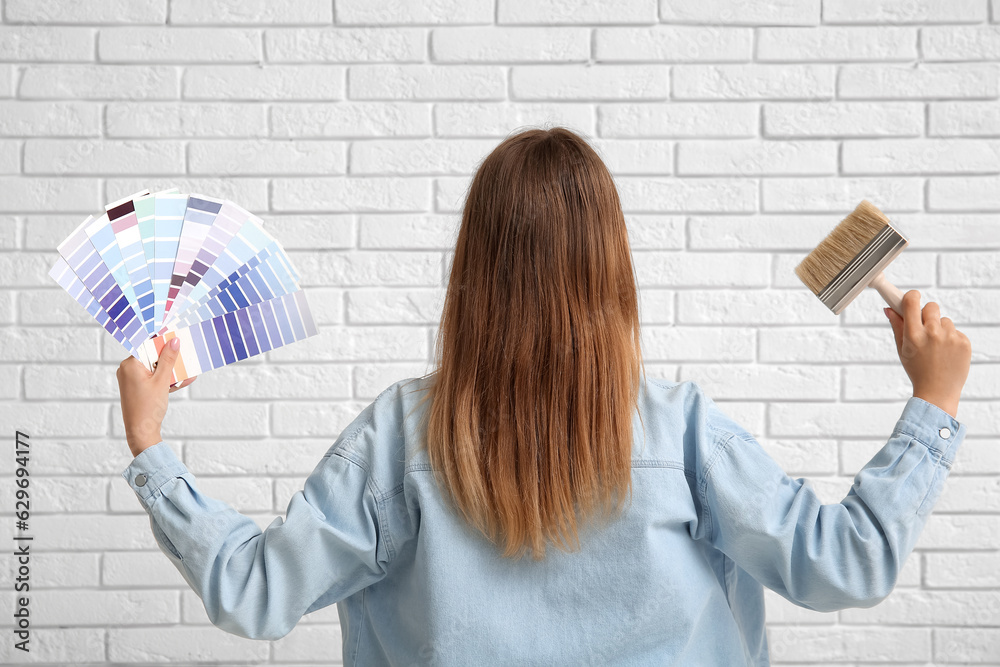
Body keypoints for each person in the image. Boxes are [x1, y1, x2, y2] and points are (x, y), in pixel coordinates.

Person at [117, 127, 972, 666]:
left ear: (473, 272)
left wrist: (151, 445)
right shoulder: (679, 434)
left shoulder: (402, 435)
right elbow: (846, 563)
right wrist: (931, 404)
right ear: (613, 273)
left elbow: (254, 591)